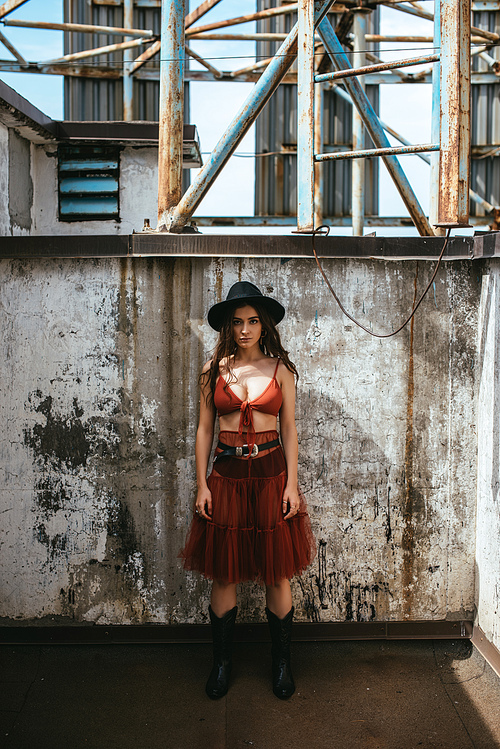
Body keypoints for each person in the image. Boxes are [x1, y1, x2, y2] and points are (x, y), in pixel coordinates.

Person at [180, 281, 315, 700]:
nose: (245, 329)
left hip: (273, 475)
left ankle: (281, 665)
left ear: (264, 325)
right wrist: (201, 483)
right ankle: (221, 665)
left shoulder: (281, 370)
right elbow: (204, 430)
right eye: (237, 322)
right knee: (224, 573)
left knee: (276, 573)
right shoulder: (212, 371)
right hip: (227, 477)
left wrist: (292, 484)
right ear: (227, 327)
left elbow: (290, 430)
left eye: (253, 321)